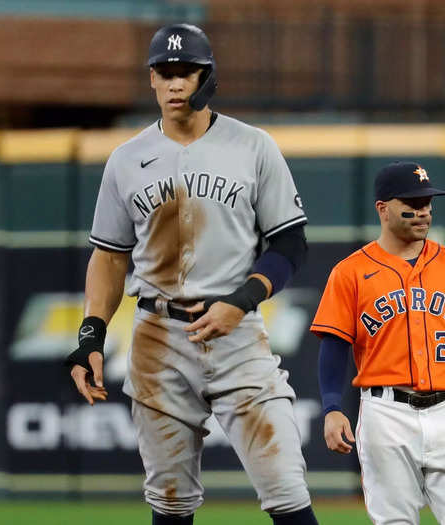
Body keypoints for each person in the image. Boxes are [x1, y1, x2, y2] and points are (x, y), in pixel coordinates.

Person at [65, 23, 319, 525]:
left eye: (187, 72)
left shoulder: (253, 146)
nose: (176, 83)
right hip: (157, 338)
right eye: (165, 72)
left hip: (236, 333)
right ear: (153, 80)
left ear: (207, 77)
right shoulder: (126, 159)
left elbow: (290, 243)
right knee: (170, 500)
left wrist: (243, 299)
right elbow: (110, 256)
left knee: (286, 488)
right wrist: (89, 335)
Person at [310, 161, 445, 525]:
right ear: (383, 209)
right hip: (384, 414)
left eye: (428, 203)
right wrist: (331, 407)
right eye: (413, 203)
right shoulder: (350, 271)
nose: (424, 212)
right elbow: (334, 345)